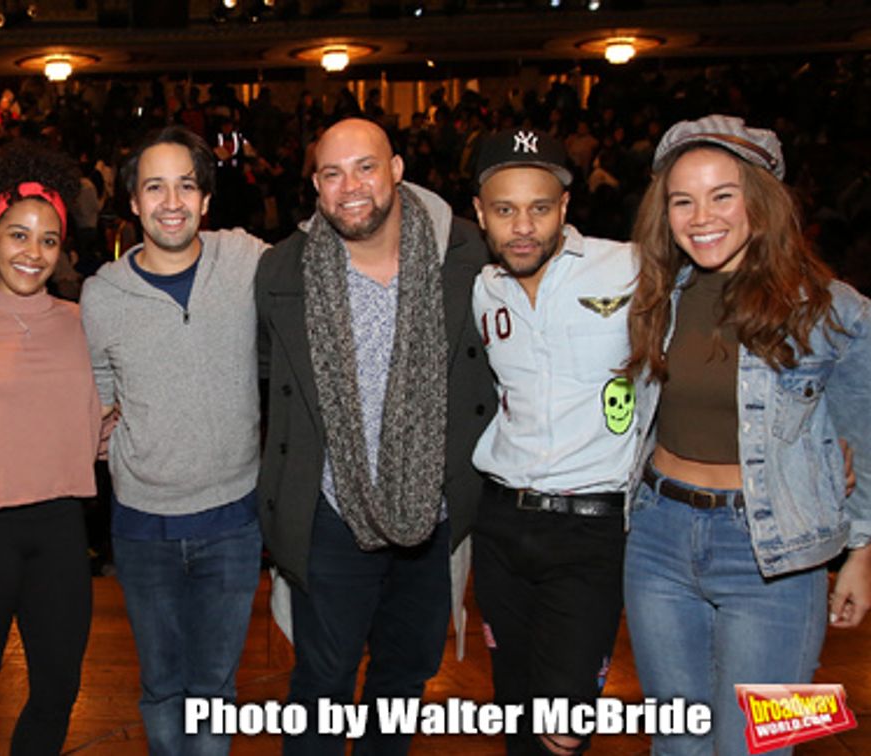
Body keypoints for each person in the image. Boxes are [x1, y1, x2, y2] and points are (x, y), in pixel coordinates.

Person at [622, 114, 871, 754]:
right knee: (677, 745)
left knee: (761, 748)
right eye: (683, 200)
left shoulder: (833, 308)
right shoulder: (656, 293)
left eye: (722, 194)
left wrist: (861, 555)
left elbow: (866, 440)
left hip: (780, 557)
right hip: (657, 539)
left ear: (760, 202)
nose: (701, 216)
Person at [255, 117, 494, 755]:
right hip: (331, 515)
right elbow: (265, 380)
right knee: (322, 687)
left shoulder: (466, 255)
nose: (350, 186)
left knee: (404, 681)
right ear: (315, 186)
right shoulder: (284, 270)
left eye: (365, 167)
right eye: (332, 173)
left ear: (395, 169)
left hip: (434, 516)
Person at [79, 125, 267, 756]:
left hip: (233, 523)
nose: (171, 201)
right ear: (131, 201)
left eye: (186, 185)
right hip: (141, 527)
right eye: (154, 186)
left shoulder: (243, 260)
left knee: (214, 688)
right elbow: (101, 389)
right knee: (161, 687)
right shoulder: (102, 294)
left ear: (206, 199)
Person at [467, 128, 636, 755]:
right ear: (481, 214)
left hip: (591, 531)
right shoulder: (482, 289)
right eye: (505, 209)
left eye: (540, 208)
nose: (523, 227)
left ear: (565, 207)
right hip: (502, 524)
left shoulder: (632, 268)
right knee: (516, 710)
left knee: (562, 729)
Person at [0, 140, 100, 755]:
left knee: (59, 686)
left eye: (48, 240)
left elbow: (104, 412)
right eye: (17, 235)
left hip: (60, 527)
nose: (32, 253)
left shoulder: (85, 320)